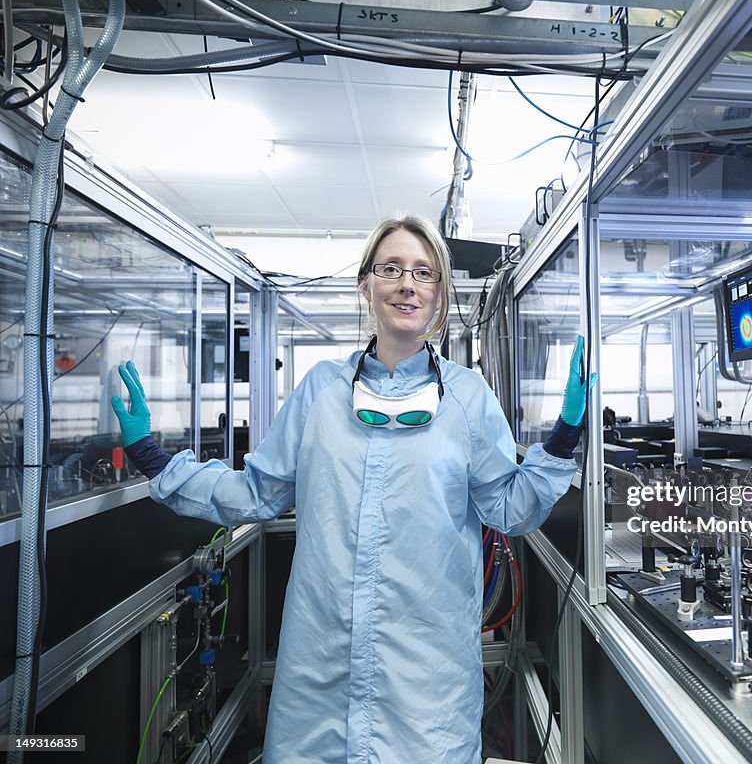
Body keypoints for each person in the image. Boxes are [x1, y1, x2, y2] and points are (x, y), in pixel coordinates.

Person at [111, 215, 597, 763]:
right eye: (390, 268)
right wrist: (153, 459)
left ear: (440, 295)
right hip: (321, 672)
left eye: (424, 272)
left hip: (425, 680)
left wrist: (565, 433)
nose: (407, 284)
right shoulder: (321, 389)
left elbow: (508, 507)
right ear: (366, 284)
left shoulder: (468, 396)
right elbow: (257, 492)